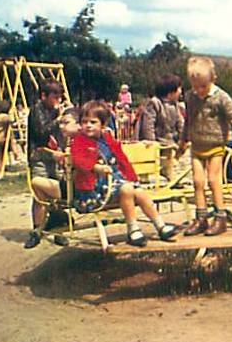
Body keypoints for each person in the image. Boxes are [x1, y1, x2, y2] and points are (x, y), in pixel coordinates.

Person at [71, 101, 179, 247]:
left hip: (115, 183)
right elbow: (78, 161)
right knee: (127, 189)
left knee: (139, 191)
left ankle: (160, 225)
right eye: (84, 122)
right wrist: (95, 167)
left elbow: (122, 159)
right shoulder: (79, 140)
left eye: (93, 122)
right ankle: (132, 228)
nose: (88, 125)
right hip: (95, 189)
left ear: (102, 125)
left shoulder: (107, 138)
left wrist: (133, 179)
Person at [179, 57, 232, 237]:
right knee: (197, 182)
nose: (199, 91)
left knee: (213, 179)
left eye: (203, 86)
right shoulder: (190, 97)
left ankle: (220, 216)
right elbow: (188, 120)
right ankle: (201, 218)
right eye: (195, 86)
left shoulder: (221, 98)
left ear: (213, 79)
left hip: (216, 145)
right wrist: (183, 139)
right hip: (196, 145)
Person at [24, 80, 75, 249]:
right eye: (55, 97)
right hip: (40, 156)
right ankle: (36, 230)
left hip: (56, 156)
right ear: (44, 96)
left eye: (60, 97)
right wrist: (58, 118)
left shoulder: (56, 111)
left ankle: (57, 230)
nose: (58, 101)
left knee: (58, 193)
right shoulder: (37, 110)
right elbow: (41, 132)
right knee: (40, 195)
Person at [138, 74, 185, 183]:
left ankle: (169, 176)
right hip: (154, 140)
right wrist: (150, 141)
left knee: (167, 160)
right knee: (147, 161)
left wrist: (184, 135)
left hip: (167, 139)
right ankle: (143, 179)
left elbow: (180, 121)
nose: (181, 91)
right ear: (170, 91)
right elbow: (148, 123)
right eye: (179, 89)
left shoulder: (175, 105)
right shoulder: (154, 103)